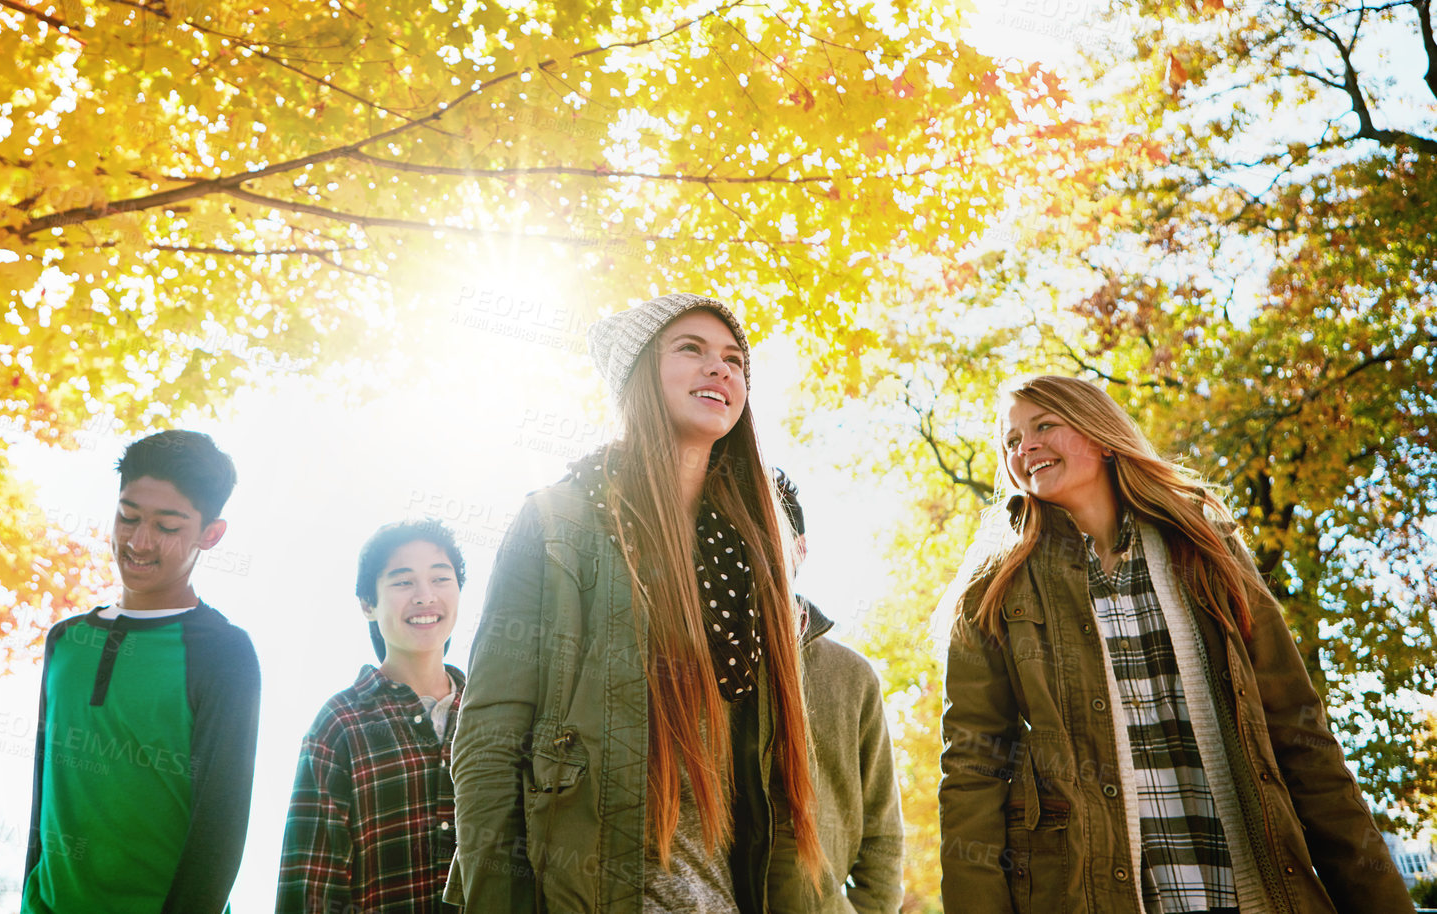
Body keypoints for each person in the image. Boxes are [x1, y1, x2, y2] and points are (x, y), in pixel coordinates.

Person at [939, 374, 1412, 914]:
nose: (1026, 447)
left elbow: (1300, 734)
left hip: (1248, 885)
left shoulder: (1207, 548)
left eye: (1044, 426)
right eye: (1012, 441)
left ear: (1098, 434)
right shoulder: (994, 586)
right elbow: (973, 768)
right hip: (1089, 893)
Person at [448, 293, 825, 914]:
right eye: (690, 349)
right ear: (638, 376)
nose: (720, 369)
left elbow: (779, 789)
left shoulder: (756, 551)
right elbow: (490, 735)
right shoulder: (558, 520)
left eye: (734, 360)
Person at [23, 429, 261, 914]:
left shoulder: (224, 652)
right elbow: (43, 797)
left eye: (168, 527)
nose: (138, 541)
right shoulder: (66, 640)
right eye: (127, 517)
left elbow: (221, 823)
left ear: (210, 534)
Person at [277, 519, 467, 914]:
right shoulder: (341, 724)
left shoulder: (493, 713)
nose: (424, 596)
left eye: (440, 578)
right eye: (403, 582)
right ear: (368, 604)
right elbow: (310, 886)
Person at [773, 472, 904, 914]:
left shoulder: (853, 677)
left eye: (769, 527)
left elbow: (883, 837)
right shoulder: (691, 661)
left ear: (800, 548)